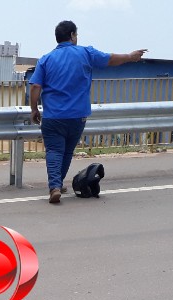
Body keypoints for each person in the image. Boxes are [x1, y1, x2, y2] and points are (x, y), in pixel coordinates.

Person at [29, 21, 146, 204]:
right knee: (67, 152)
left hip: (54, 117)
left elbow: (35, 86)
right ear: (72, 35)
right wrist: (130, 56)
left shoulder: (46, 59)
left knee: (54, 151)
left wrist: (34, 109)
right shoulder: (86, 53)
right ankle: (57, 184)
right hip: (78, 116)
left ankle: (55, 187)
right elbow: (110, 59)